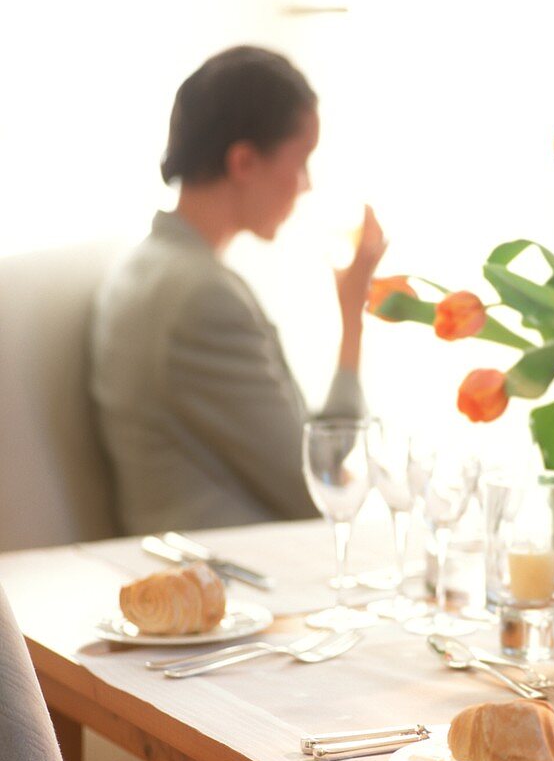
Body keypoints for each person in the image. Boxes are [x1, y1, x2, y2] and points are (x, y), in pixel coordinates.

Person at [91, 45, 385, 534]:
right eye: (301, 160)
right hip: (234, 579)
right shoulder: (201, 300)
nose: (305, 184)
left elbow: (302, 452)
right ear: (244, 161)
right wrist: (352, 316)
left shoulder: (144, 266)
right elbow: (312, 483)